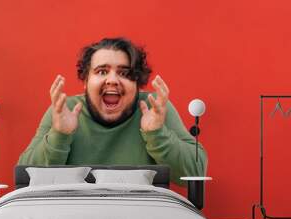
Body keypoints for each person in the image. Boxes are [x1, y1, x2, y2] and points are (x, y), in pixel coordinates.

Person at [18, 37, 207, 186]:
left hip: (141, 217)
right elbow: (24, 177)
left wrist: (157, 135)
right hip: (72, 215)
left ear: (137, 84)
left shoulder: (153, 108)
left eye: (124, 73)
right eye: (101, 71)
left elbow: (196, 172)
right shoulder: (64, 110)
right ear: (85, 81)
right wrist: (59, 135)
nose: (112, 80)